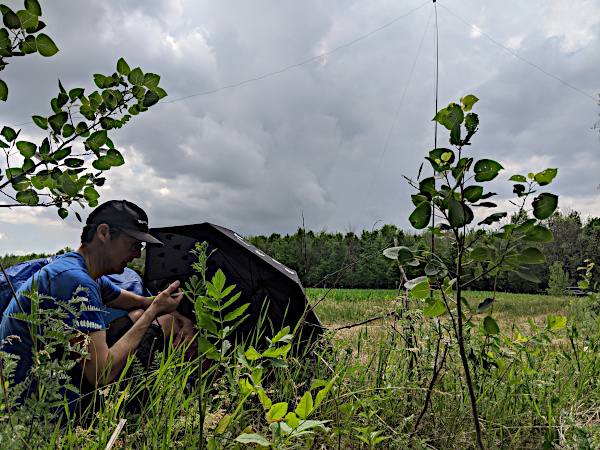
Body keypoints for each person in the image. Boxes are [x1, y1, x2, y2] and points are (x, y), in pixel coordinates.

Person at [0, 200, 196, 416]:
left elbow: (136, 302)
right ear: (104, 233)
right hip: (39, 409)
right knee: (154, 323)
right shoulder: (76, 281)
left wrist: (167, 305)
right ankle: (132, 415)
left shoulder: (77, 269)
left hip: (44, 380)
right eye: (134, 244)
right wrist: (152, 314)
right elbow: (101, 374)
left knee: (145, 315)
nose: (138, 254)